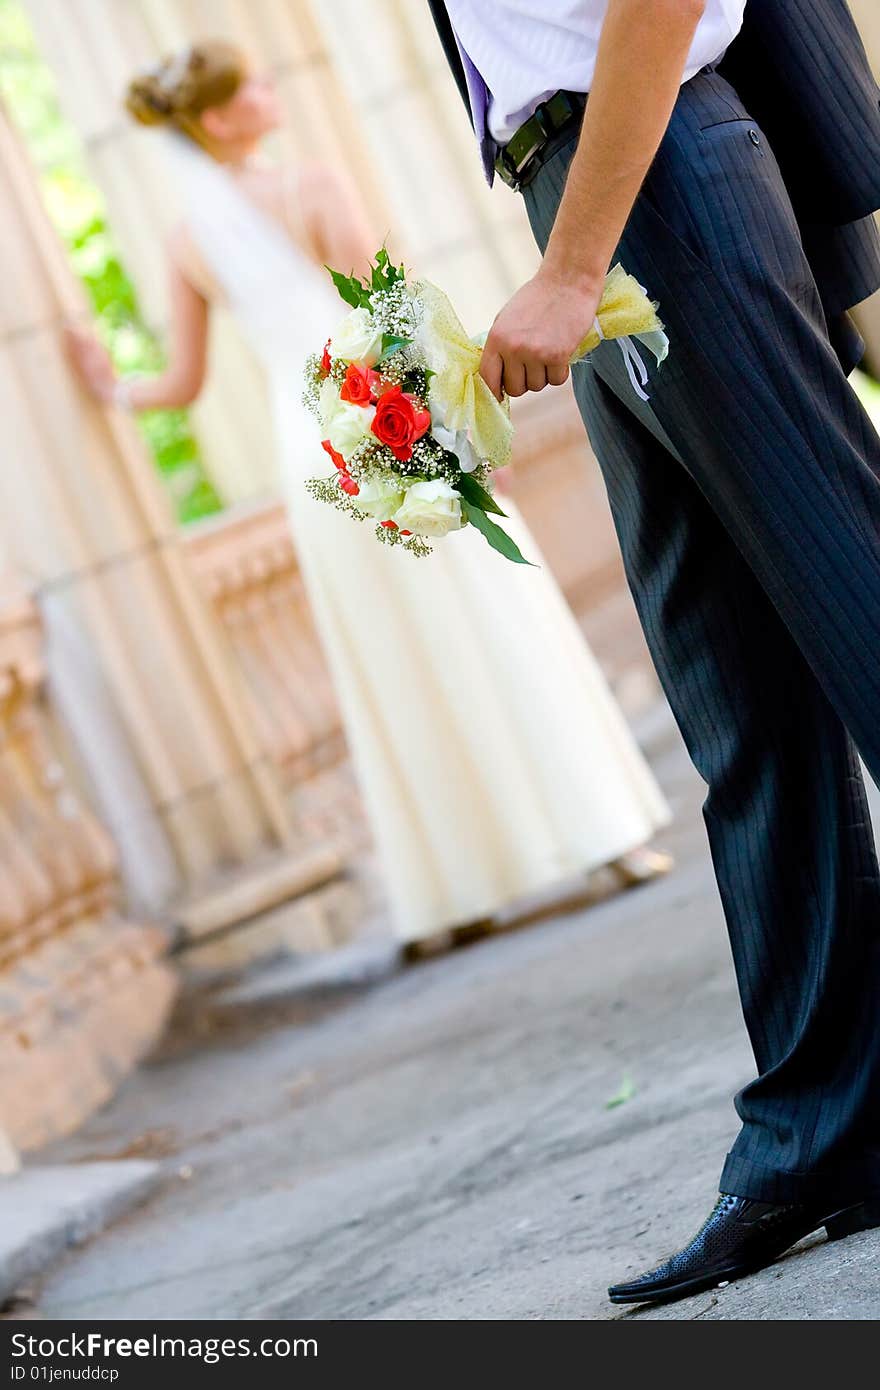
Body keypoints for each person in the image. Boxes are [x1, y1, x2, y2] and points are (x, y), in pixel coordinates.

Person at [429, 0, 880, 1304]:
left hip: (652, 183)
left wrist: (575, 266)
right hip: (599, 188)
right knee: (735, 684)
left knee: (854, 590)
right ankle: (823, 1125)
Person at [65, 40, 672, 955]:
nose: (273, 91)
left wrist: (112, 388)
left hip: (311, 453)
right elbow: (391, 316)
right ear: (223, 118)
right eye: (256, 84)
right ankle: (602, 838)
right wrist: (462, 431)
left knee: (394, 656)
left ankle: (452, 891)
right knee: (490, 615)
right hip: (383, 417)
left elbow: (181, 385)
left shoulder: (189, 243)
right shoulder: (314, 187)